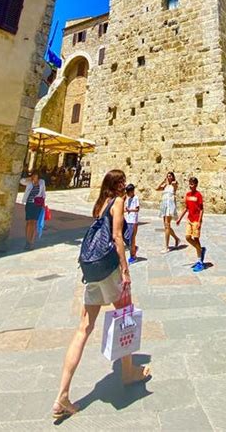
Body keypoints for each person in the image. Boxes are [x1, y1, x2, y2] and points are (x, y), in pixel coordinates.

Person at [51, 169, 150, 420]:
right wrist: (125, 269)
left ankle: (62, 393)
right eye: (123, 183)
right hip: (110, 269)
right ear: (117, 186)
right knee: (125, 316)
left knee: (83, 328)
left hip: (92, 270)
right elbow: (117, 237)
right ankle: (128, 373)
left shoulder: (99, 204)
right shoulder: (117, 202)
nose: (125, 187)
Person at [176, 177, 205, 272]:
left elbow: (201, 209)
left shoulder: (198, 195)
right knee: (188, 237)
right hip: (189, 219)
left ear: (196, 185)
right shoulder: (188, 195)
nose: (190, 185)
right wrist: (179, 218)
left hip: (196, 220)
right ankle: (200, 249)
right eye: (190, 183)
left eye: (192, 184)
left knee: (196, 238)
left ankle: (200, 261)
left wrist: (200, 221)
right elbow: (186, 208)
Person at [20, 170, 46, 250]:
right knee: (29, 222)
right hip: (29, 204)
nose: (35, 177)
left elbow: (43, 193)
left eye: (36, 176)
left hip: (37, 205)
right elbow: (21, 181)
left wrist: (43, 204)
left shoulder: (42, 182)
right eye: (33, 176)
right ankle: (27, 241)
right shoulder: (29, 182)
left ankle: (32, 242)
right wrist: (29, 179)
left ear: (39, 176)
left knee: (34, 223)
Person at [157, 171, 180, 253]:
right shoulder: (165, 186)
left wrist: (171, 181)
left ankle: (166, 247)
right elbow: (157, 188)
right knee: (166, 226)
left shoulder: (174, 184)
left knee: (167, 225)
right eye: (168, 176)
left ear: (173, 177)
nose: (169, 177)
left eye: (170, 176)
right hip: (164, 205)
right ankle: (176, 239)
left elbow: (175, 183)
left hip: (170, 205)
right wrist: (163, 182)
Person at [124, 183, 140, 263]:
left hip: (133, 221)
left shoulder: (136, 198)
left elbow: (137, 209)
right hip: (128, 220)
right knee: (127, 237)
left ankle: (133, 256)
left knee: (131, 239)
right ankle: (134, 249)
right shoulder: (128, 199)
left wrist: (130, 210)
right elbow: (127, 208)